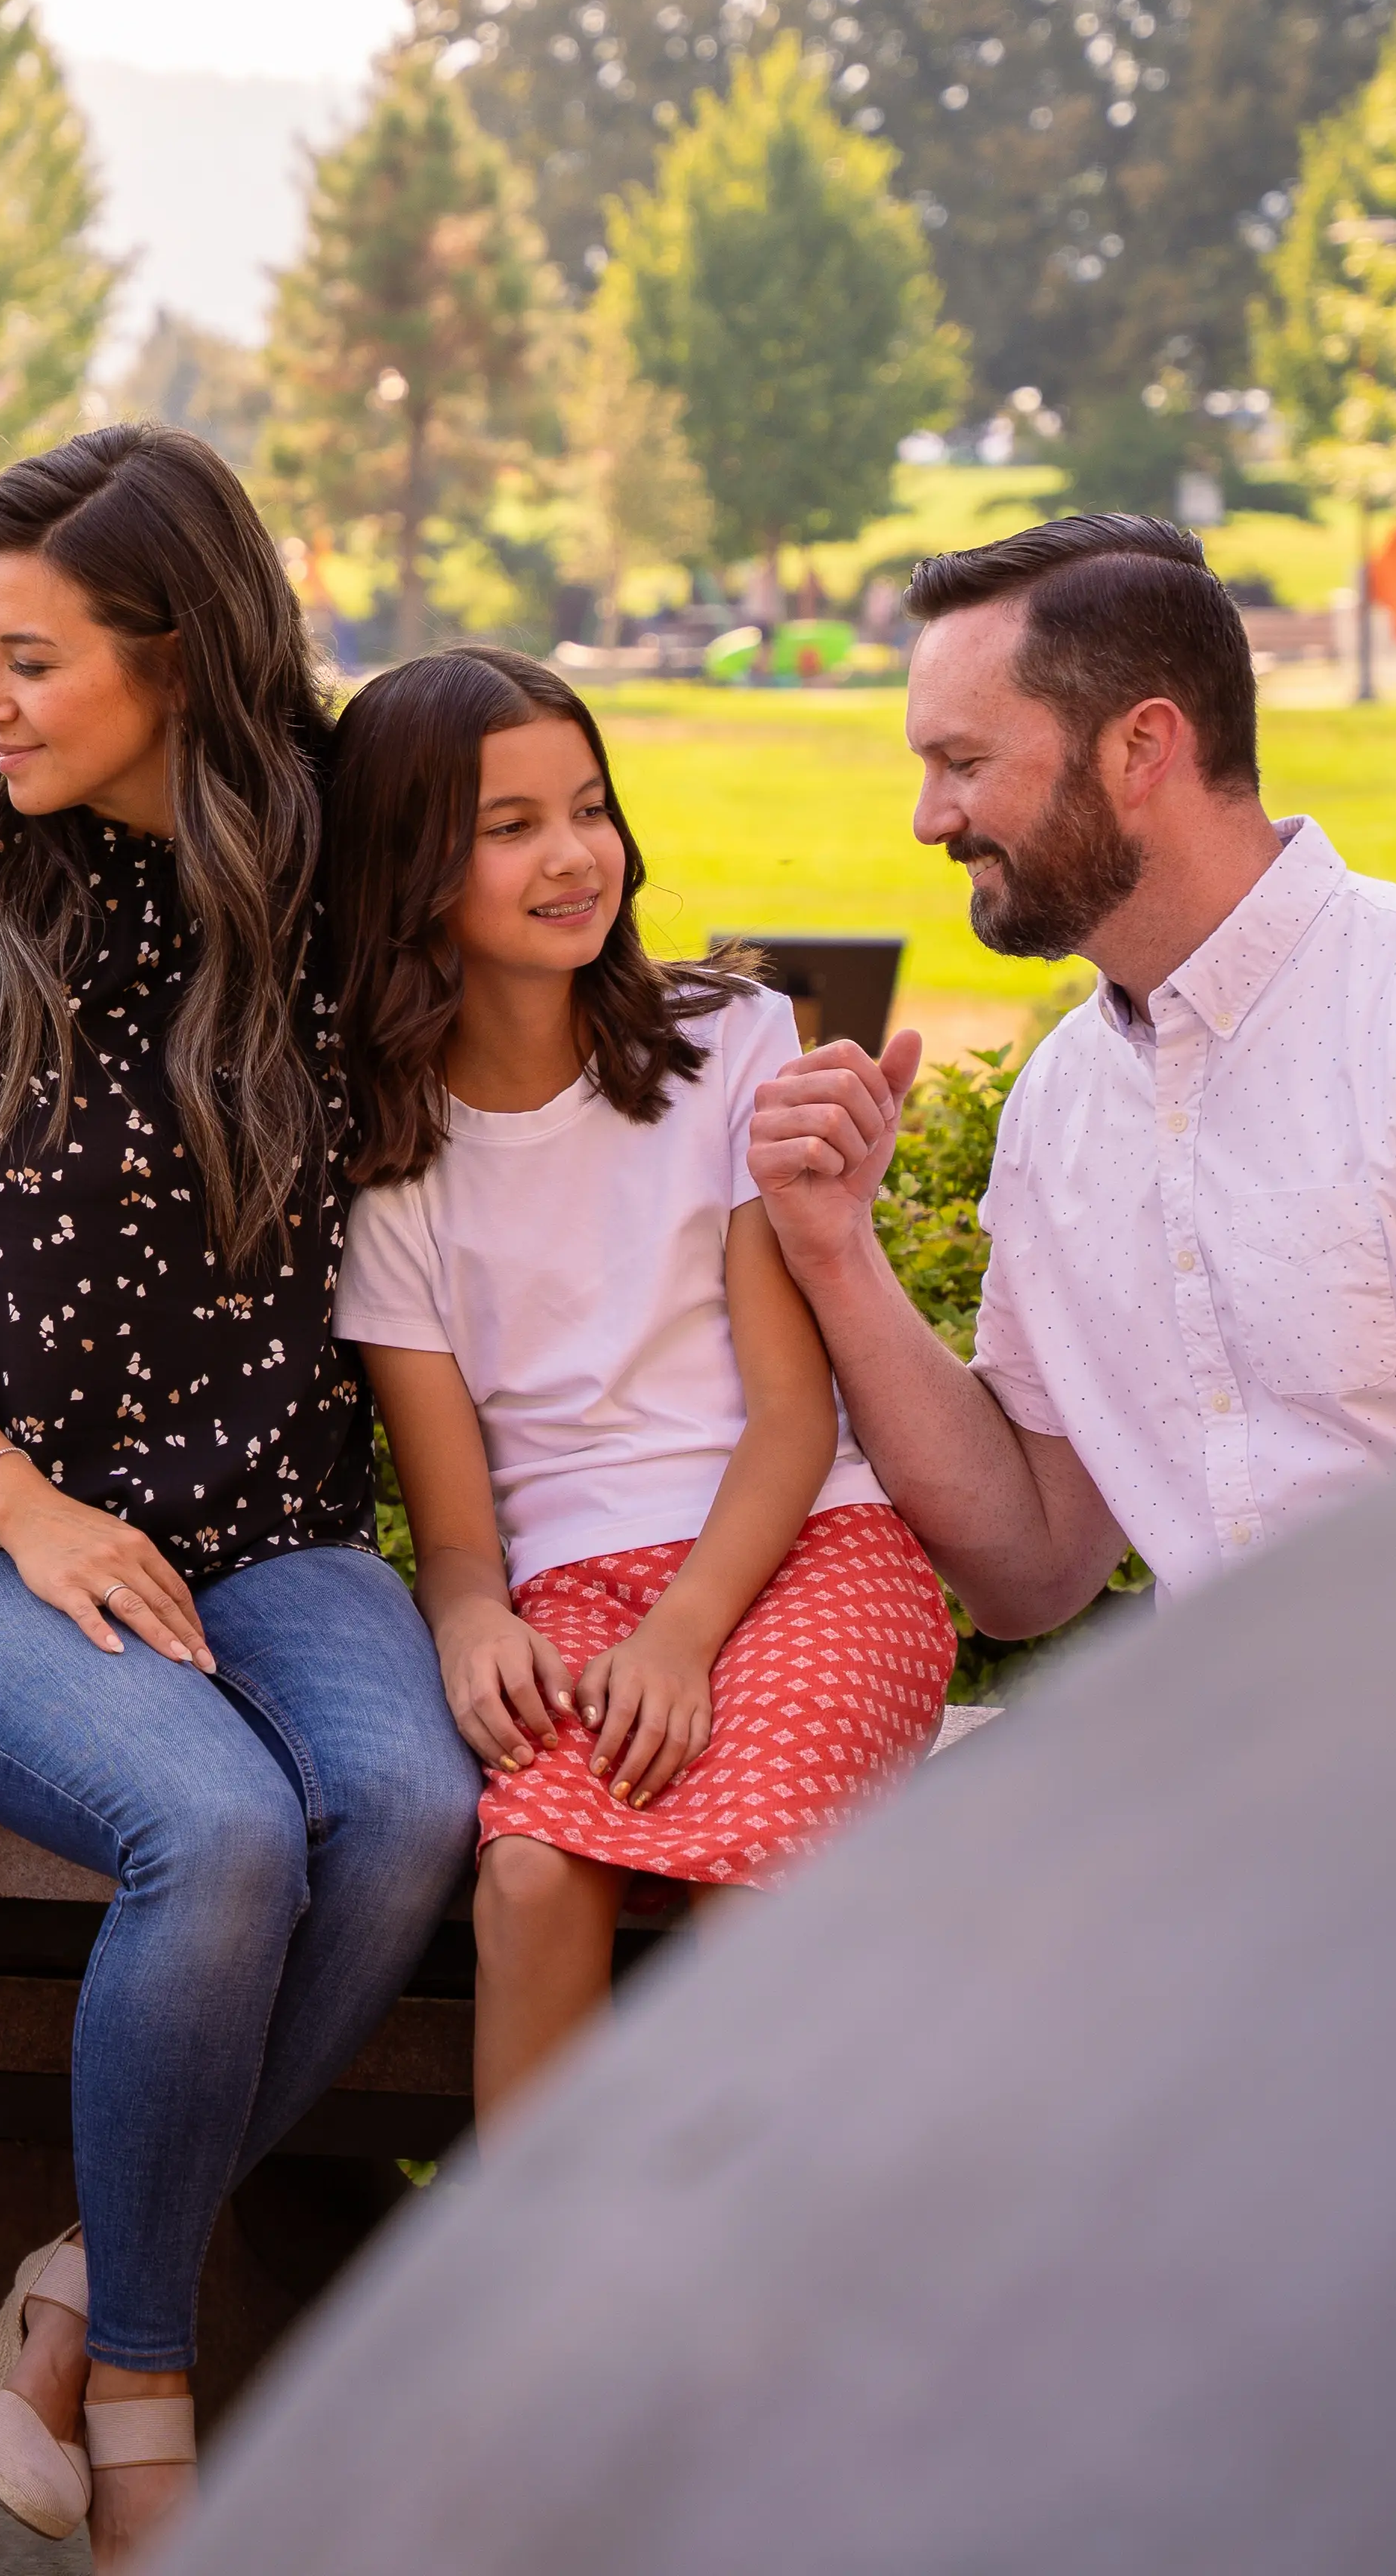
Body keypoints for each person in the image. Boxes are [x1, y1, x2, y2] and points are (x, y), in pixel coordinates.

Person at [0, 426, 481, 2569]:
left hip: (274, 1528)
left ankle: (83, 2288)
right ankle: (152, 2416)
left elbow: (569, 898)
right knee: (219, 1827)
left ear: (178, 653)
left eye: (27, 658)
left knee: (408, 1809)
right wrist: (29, 1510)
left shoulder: (324, 873)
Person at [748, 513, 1396, 1638]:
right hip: (1228, 1780)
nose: (931, 820)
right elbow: (1030, 1567)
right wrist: (836, 1249)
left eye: (966, 764)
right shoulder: (1063, 1107)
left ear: (1139, 748)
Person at [322, 647, 954, 2118]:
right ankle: (533, 2317)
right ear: (408, 870)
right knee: (535, 1872)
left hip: (806, 1551)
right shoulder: (391, 1164)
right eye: (512, 824)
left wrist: (682, 1633)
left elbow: (794, 1418)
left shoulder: (728, 1041)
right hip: (575, 1594)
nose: (575, 853)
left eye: (590, 806)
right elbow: (460, 1526)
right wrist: (471, 1611)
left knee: (752, 1877)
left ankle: (735, 2312)